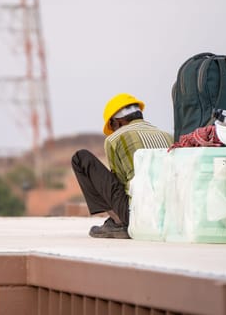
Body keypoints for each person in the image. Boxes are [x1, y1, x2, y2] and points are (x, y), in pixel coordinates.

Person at [71, 93, 173, 238]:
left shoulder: (116, 138)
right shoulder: (168, 136)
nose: (112, 131)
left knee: (81, 158)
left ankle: (118, 222)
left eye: (112, 127)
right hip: (169, 213)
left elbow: (119, 182)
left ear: (117, 121)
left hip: (138, 214)